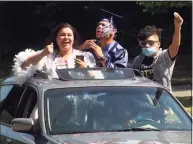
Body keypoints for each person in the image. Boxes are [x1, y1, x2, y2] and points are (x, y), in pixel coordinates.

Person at [12, 23, 97, 85]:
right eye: (62, 35)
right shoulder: (48, 56)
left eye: (69, 35)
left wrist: (86, 68)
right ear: (56, 38)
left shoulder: (85, 56)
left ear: (74, 38)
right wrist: (43, 53)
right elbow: (23, 66)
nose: (66, 38)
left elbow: (98, 80)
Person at [132, 12, 183, 93]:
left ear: (158, 44)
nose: (147, 46)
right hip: (142, 100)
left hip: (162, 100)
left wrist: (177, 26)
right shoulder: (137, 61)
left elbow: (175, 45)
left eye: (151, 42)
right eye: (143, 43)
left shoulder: (164, 57)